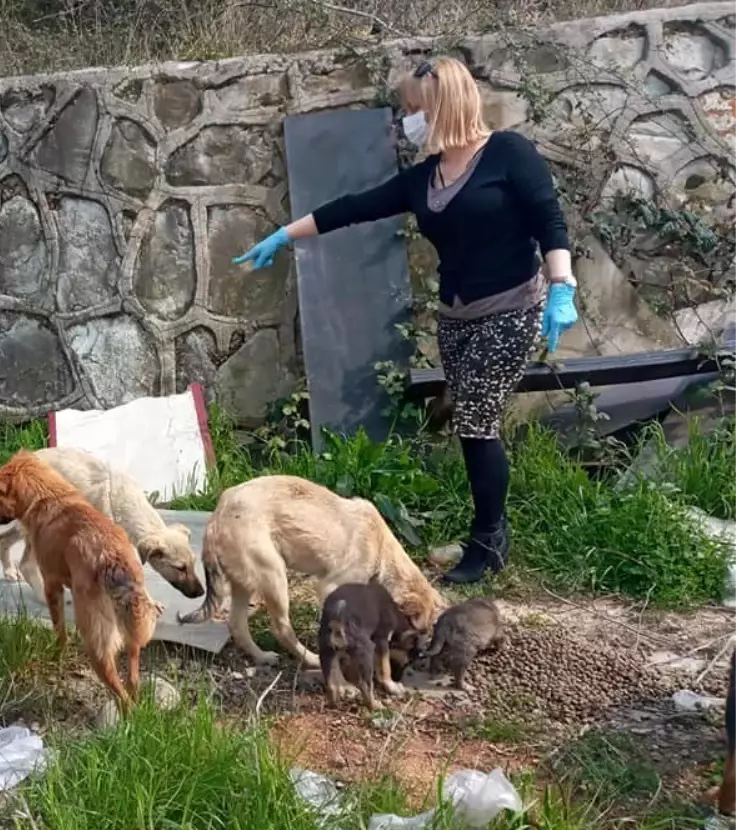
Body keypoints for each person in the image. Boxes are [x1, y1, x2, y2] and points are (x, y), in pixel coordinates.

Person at [233, 56, 579, 584]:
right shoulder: (426, 176)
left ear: (442, 106)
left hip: (512, 308)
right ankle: (487, 531)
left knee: (477, 419)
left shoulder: (510, 154)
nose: (406, 119)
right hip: (457, 317)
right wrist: (284, 234)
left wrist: (562, 287)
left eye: (413, 109)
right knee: (471, 424)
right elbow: (354, 206)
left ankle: (488, 542)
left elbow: (549, 221)